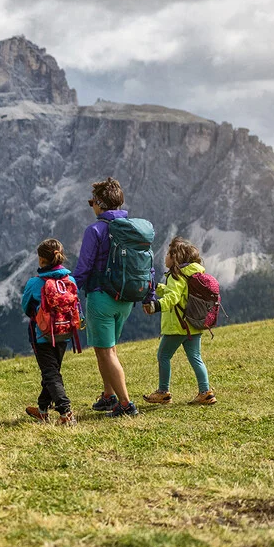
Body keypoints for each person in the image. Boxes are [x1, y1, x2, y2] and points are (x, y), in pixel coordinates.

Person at [72, 177, 155, 418]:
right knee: (109, 349)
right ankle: (109, 395)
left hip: (101, 298)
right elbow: (148, 266)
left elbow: (84, 267)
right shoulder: (133, 229)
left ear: (99, 203)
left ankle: (126, 404)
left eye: (92, 202)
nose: (92, 207)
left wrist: (68, 290)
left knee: (105, 352)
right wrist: (149, 295)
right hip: (127, 298)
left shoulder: (95, 230)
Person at [141, 237, 217, 405]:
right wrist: (156, 288)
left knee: (163, 355)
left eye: (168, 253)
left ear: (175, 257)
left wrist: (156, 306)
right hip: (194, 324)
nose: (165, 256)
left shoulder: (176, 275)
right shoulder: (192, 273)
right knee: (196, 357)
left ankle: (163, 391)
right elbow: (176, 293)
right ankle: (205, 392)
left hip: (177, 326)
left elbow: (173, 297)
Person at [20, 238, 79, 426]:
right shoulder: (71, 280)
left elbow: (25, 306)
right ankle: (42, 410)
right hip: (65, 333)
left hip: (42, 336)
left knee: (50, 374)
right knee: (52, 372)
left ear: (41, 260)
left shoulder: (34, 283)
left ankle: (66, 412)